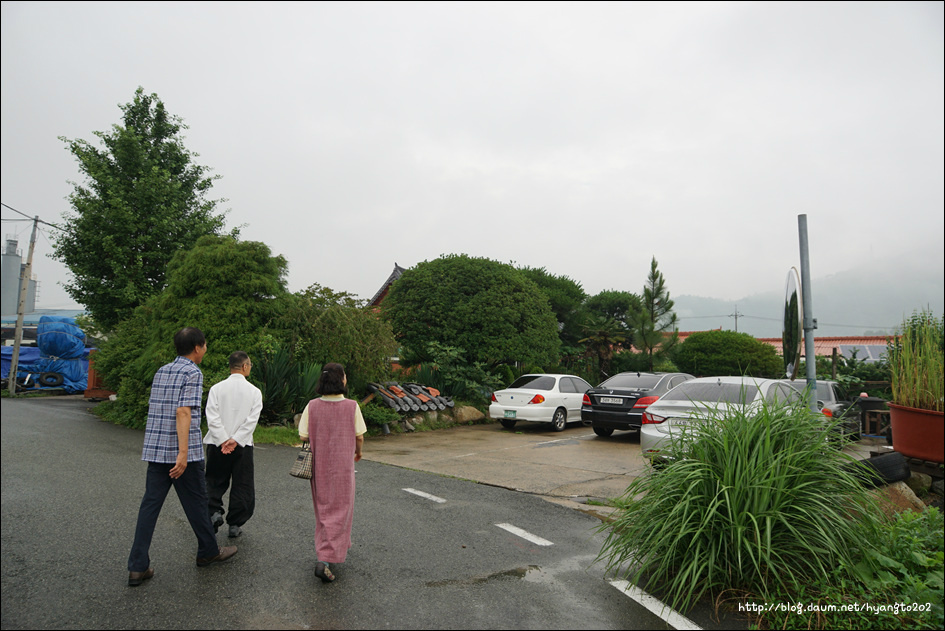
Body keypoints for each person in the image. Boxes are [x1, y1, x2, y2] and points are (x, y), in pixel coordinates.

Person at [127, 327, 237, 587]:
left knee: (149, 507)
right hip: (181, 453)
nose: (206, 349)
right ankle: (208, 552)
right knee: (198, 502)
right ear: (197, 347)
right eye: (205, 345)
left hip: (157, 450)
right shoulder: (192, 372)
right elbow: (183, 413)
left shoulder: (162, 371)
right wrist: (183, 453)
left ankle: (137, 566)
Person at [298, 363, 366, 583]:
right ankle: (326, 558)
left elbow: (303, 436)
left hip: (319, 467)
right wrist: (358, 452)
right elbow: (359, 436)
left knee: (324, 509)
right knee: (342, 508)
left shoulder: (312, 406)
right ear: (342, 380)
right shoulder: (352, 406)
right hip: (343, 468)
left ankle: (331, 550)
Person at [204, 351, 263, 538]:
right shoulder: (254, 392)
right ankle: (235, 524)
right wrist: (235, 440)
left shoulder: (216, 389)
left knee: (213, 479)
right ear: (245, 366)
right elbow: (252, 420)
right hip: (243, 445)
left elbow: (211, 416)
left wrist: (223, 439)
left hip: (216, 443)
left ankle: (213, 512)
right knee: (242, 483)